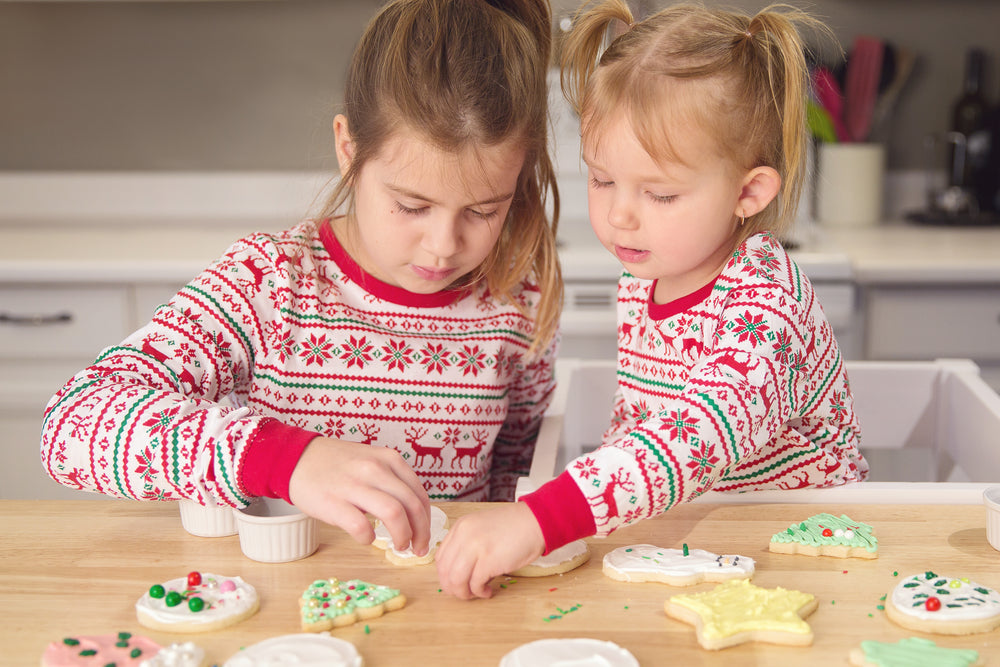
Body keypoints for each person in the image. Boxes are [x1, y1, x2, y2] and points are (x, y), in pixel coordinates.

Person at [39, 0, 561, 559]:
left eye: (482, 211)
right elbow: (72, 423)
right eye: (412, 206)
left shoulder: (517, 298)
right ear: (349, 149)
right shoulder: (269, 282)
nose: (443, 244)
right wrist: (286, 460)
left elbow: (514, 471)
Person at [436, 0, 868, 598]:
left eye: (659, 194)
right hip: (697, 542)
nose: (618, 216)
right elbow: (640, 423)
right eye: (602, 178)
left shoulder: (767, 303)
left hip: (803, 557)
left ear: (748, 192)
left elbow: (698, 432)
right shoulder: (644, 277)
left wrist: (545, 517)